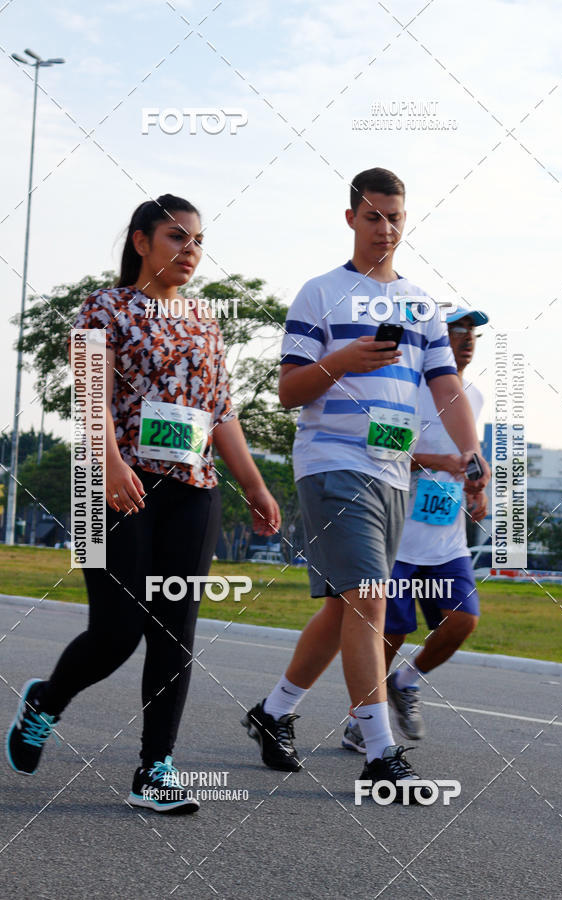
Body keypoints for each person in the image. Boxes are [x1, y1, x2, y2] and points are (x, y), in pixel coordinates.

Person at [5, 194, 280, 814]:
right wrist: (109, 462)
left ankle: (155, 768)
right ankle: (45, 701)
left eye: (198, 240)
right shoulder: (104, 308)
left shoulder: (207, 321)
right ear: (141, 242)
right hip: (110, 485)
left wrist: (255, 484)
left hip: (193, 490)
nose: (191, 251)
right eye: (177, 237)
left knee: (174, 630)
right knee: (116, 632)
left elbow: (221, 411)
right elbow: (91, 396)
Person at [242, 168, 489, 802]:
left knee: (342, 608)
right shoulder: (320, 293)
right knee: (370, 602)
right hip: (330, 462)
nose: (386, 228)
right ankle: (380, 754)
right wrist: (342, 361)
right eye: (374, 216)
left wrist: (470, 451)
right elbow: (289, 389)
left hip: (391, 472)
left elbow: (445, 387)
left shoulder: (422, 306)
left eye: (396, 218)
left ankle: (273, 712)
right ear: (351, 217)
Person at [341, 307, 488, 754]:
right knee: (394, 631)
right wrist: (440, 462)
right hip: (398, 536)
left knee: (464, 620)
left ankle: (405, 682)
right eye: (456, 330)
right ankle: (362, 719)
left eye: (472, 332)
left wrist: (477, 492)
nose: (466, 339)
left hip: (446, 538)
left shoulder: (473, 396)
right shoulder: (406, 390)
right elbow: (382, 450)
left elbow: (469, 458)